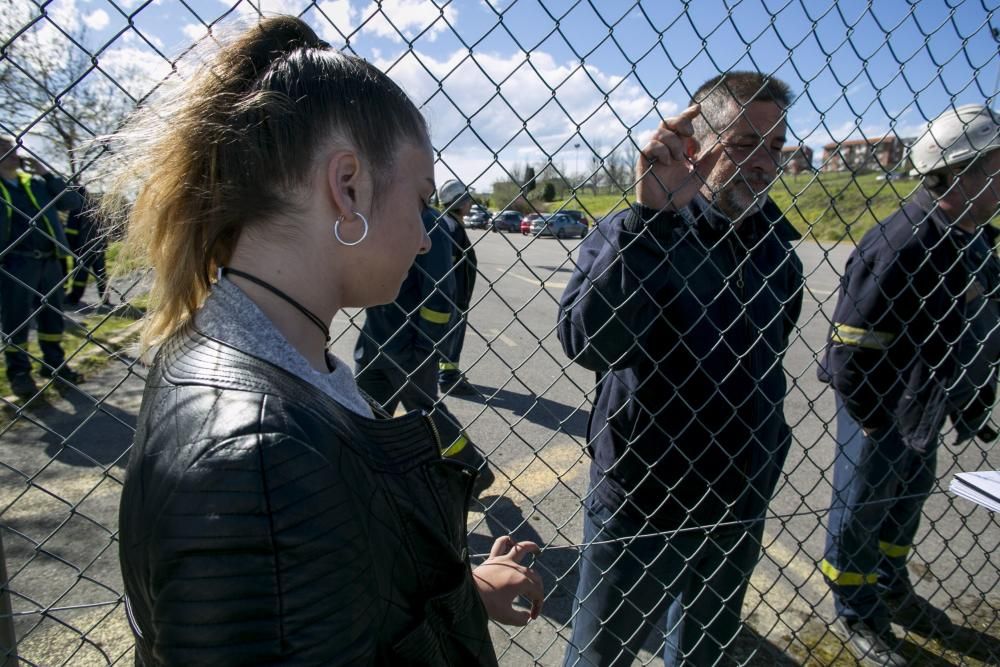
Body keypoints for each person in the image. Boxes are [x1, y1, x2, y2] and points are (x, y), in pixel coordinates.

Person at [108, 17, 540, 665]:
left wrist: (460, 595)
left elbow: (331, 605)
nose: (427, 236)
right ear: (347, 187)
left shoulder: (276, 364)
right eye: (422, 199)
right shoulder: (258, 455)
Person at [557, 71, 804, 666]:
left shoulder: (777, 250)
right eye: (746, 144)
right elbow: (588, 341)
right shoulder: (636, 231)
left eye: (775, 147)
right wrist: (652, 222)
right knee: (602, 654)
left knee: (706, 653)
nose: (765, 163)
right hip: (645, 498)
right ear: (696, 146)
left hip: (740, 494)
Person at [819, 103, 1000, 666]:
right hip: (882, 408)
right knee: (861, 507)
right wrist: (874, 421)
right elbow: (849, 348)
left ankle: (891, 585)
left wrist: (969, 400)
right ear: (961, 171)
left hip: (926, 404)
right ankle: (857, 609)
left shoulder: (972, 237)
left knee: (907, 501)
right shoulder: (903, 242)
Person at [354, 202, 496, 497]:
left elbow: (440, 297)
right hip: (373, 342)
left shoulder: (429, 224)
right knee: (365, 415)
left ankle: (473, 469)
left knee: (426, 416)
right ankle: (378, 481)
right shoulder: (378, 217)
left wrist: (424, 349)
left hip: (408, 348)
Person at [0, 134, 83, 398]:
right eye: (5, 149)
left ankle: (54, 364)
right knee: (16, 319)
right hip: (14, 263)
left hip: (48, 261)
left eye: (13, 148)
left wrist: (46, 174)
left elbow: (73, 203)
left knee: (52, 315)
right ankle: (19, 373)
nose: (14, 153)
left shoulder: (35, 183)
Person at [436, 178, 480, 396]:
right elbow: (449, 268)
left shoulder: (448, 223)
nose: (470, 203)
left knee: (448, 338)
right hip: (454, 298)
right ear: (459, 201)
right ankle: (448, 379)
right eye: (467, 199)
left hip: (454, 297)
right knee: (451, 339)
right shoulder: (452, 228)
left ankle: (445, 375)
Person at [64, 187, 110, 308]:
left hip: (82, 248)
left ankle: (74, 297)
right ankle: (105, 298)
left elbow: (71, 231)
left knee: (80, 274)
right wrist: (104, 243)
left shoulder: (76, 208)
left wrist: (70, 247)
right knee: (100, 273)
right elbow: (105, 228)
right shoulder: (97, 206)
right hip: (99, 246)